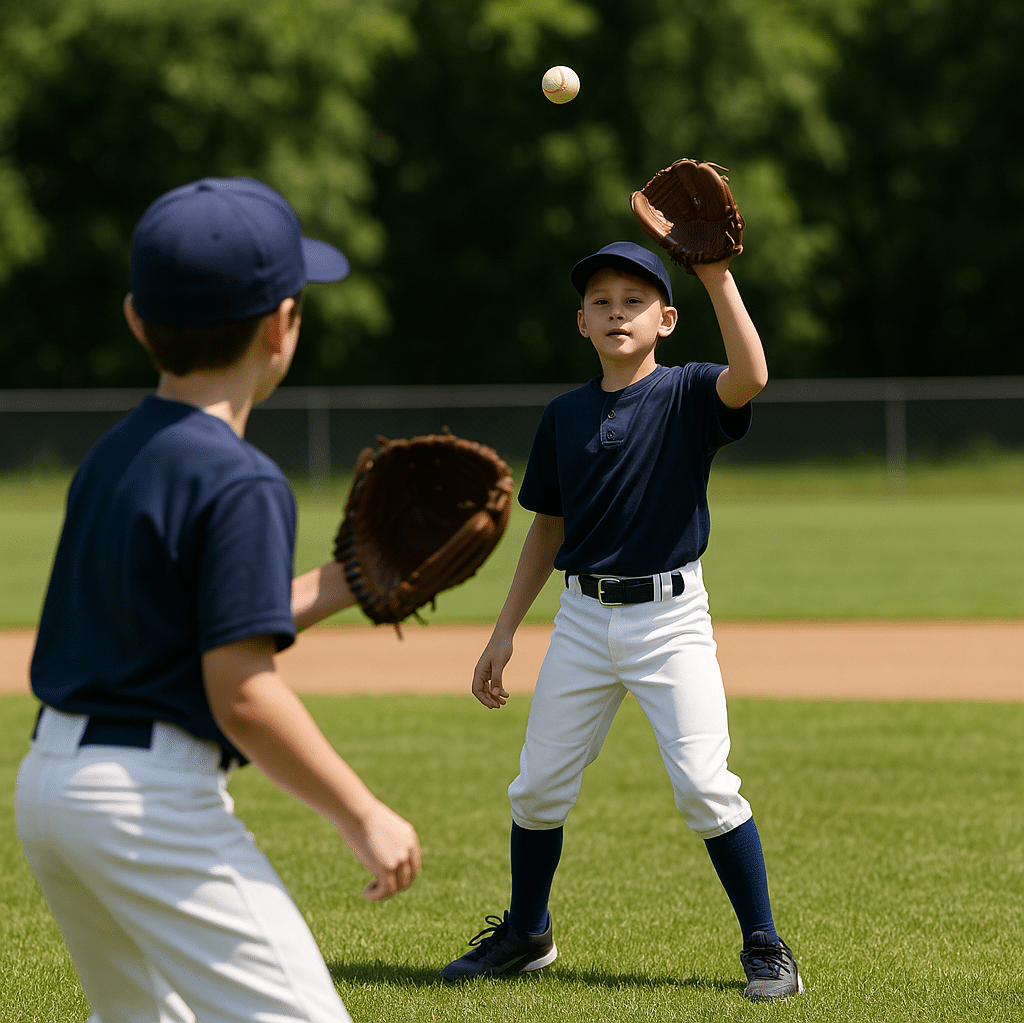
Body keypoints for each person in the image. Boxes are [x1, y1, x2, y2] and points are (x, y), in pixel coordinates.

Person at [15, 177, 421, 1023]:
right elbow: (239, 688)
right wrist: (361, 813)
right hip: (145, 803)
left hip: (53, 789)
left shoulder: (117, 452)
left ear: (136, 320)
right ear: (282, 326)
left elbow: (192, 624)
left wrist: (345, 584)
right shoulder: (242, 479)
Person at [439, 240, 803, 1000]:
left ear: (666, 320)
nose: (616, 313)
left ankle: (766, 945)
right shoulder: (564, 415)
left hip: (671, 621)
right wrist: (504, 631)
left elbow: (754, 376)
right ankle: (528, 934)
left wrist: (716, 275)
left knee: (705, 786)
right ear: (581, 323)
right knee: (537, 790)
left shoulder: (690, 392)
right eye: (601, 302)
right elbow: (547, 527)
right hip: (581, 620)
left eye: (633, 302)